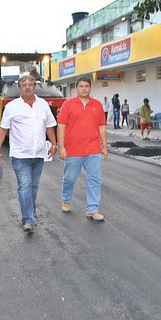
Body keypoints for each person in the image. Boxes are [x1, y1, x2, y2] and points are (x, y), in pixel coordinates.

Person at [0, 75, 57, 232]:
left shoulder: (43, 105)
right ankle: (27, 219)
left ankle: (30, 211)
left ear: (35, 86)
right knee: (25, 186)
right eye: (24, 85)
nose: (27, 87)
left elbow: (49, 126)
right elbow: (3, 130)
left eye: (30, 84)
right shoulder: (12, 107)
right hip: (20, 155)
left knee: (34, 186)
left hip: (39, 153)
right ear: (19, 88)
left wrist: (54, 144)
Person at [58, 76, 107, 221]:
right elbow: (61, 126)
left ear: (90, 88)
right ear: (76, 88)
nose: (84, 88)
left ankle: (92, 209)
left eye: (86, 86)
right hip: (73, 150)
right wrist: (61, 147)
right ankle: (66, 200)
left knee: (94, 179)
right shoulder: (68, 104)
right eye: (81, 86)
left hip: (93, 149)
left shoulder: (97, 105)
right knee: (70, 178)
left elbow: (102, 127)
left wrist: (104, 146)